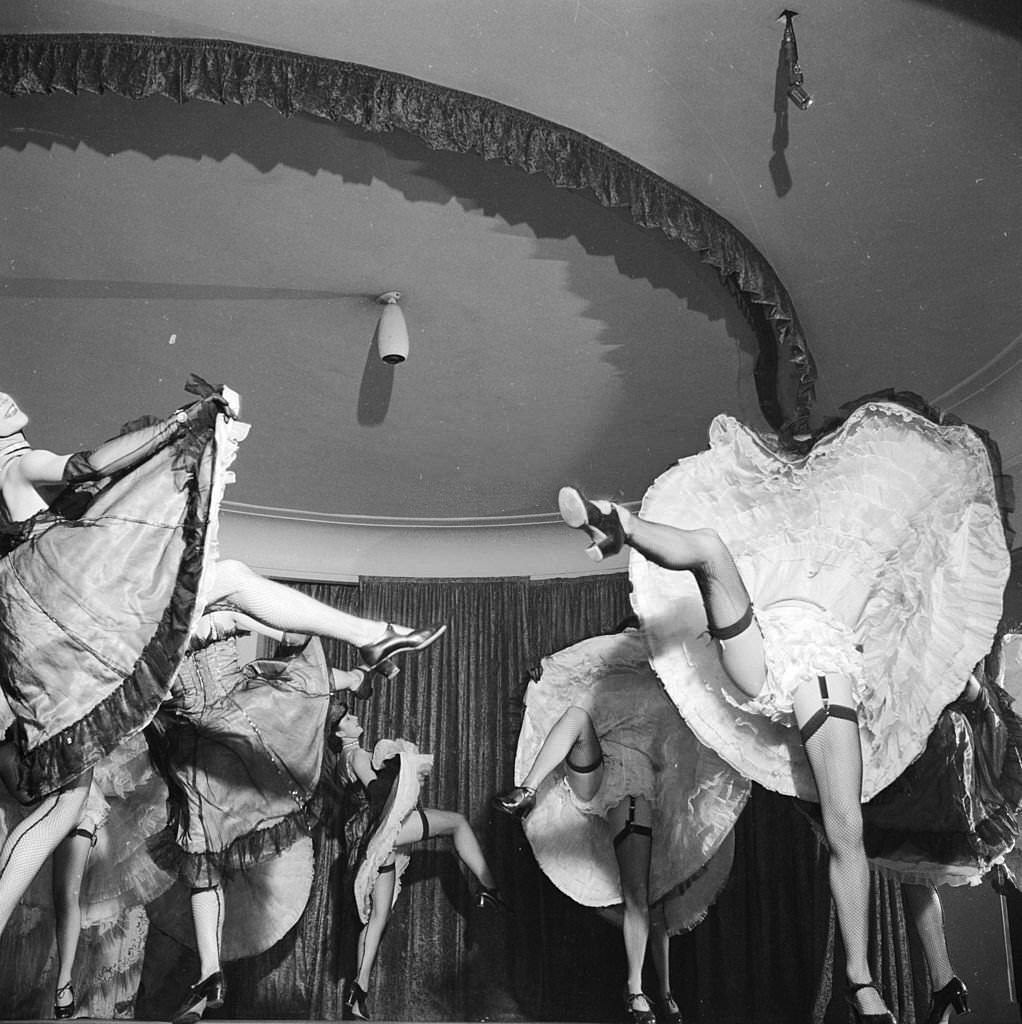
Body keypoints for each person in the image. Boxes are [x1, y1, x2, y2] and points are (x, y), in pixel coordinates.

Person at [557, 395, 1010, 1024]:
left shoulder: (856, 586)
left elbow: (906, 562)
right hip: (764, 651)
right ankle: (620, 525)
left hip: (817, 676)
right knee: (712, 548)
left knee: (846, 828)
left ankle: (860, 979)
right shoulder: (782, 556)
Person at [0, 378, 447, 944]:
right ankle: (374, 636)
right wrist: (178, 425)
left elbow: (96, 494)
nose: (7, 398)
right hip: (77, 604)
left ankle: (374, 636)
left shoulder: (16, 493)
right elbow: (85, 467)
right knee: (229, 578)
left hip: (63, 619)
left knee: (64, 802)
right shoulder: (15, 463)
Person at [492, 623, 748, 1024]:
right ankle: (526, 789)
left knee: (637, 893)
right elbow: (560, 689)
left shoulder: (669, 690)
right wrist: (540, 679)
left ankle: (637, 990)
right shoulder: (601, 680)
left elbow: (694, 733)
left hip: (637, 786)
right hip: (594, 768)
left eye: (638, 632)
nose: (632, 636)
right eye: (625, 632)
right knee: (576, 715)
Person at [334, 709, 505, 1021]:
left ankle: (359, 992)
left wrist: (401, 763)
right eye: (346, 718)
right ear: (337, 734)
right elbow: (379, 797)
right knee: (457, 823)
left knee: (379, 916)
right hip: (383, 831)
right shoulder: (355, 755)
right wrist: (409, 770)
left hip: (376, 840)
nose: (355, 716)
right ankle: (490, 887)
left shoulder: (358, 755)